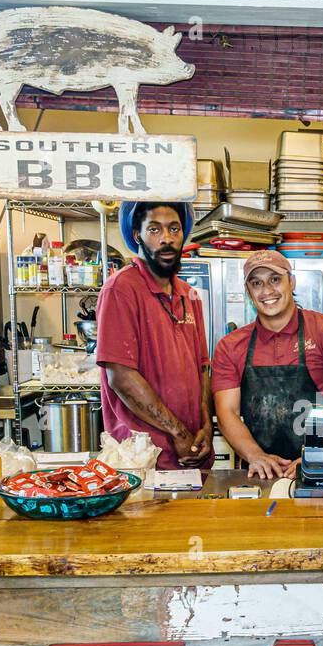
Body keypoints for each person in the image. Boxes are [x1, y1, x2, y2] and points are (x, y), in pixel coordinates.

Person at [212, 250, 323, 479]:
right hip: (261, 474)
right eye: (256, 283)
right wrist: (255, 456)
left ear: (291, 281)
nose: (267, 291)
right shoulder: (230, 346)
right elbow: (227, 412)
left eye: (275, 279)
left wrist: (318, 454)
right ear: (248, 292)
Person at [95, 201, 214, 470]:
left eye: (174, 229)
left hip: (193, 453)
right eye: (154, 229)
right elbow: (122, 378)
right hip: (145, 459)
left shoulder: (188, 294)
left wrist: (206, 426)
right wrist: (179, 434)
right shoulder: (121, 290)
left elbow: (202, 368)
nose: (167, 239)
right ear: (137, 235)